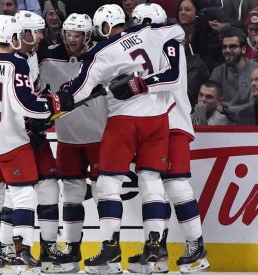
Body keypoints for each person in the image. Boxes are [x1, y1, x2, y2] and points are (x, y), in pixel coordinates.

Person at [50, 3, 185, 273]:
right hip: (158, 119)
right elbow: (178, 31)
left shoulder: (100, 51)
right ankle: (153, 246)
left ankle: (111, 246)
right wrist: (143, 79)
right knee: (151, 180)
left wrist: (58, 99)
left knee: (108, 182)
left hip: (124, 121)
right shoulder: (153, 32)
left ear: (104, 27)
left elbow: (78, 91)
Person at [0, 14, 67, 274]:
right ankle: (22, 249)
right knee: (24, 195)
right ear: (13, 38)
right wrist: (54, 104)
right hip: (10, 142)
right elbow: (25, 104)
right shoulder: (16, 62)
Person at [126, 3, 210, 274]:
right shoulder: (152, 42)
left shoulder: (168, 40)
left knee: (175, 185)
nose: (134, 27)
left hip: (171, 121)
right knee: (152, 188)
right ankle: (156, 254)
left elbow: (171, 77)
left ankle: (196, 248)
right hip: (152, 123)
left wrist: (137, 85)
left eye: (137, 22)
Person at [0, 10, 65, 274]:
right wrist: (33, 117)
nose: (40, 36)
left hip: (34, 135)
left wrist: (43, 108)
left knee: (48, 186)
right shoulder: (10, 62)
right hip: (14, 138)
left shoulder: (31, 55)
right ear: (20, 34)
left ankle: (48, 248)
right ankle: (7, 251)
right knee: (16, 194)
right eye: (35, 31)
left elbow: (31, 95)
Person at [38, 12, 109, 273]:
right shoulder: (49, 58)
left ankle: (107, 251)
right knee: (71, 196)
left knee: (104, 194)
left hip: (99, 137)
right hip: (67, 138)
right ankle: (71, 252)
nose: (71, 39)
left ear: (87, 35)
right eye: (68, 33)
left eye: (77, 34)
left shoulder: (101, 56)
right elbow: (40, 93)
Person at [209, 26, 258, 121]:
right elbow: (213, 102)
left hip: (250, 122)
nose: (228, 50)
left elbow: (254, 105)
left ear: (244, 49)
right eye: (224, 47)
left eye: (232, 46)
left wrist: (226, 109)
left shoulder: (257, 70)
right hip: (221, 121)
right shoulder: (218, 72)